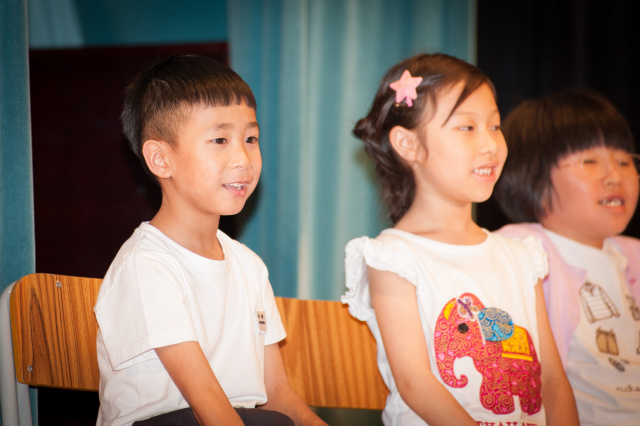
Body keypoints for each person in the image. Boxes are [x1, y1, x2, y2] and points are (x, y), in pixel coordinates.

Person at [341, 53, 578, 425]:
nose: (491, 144)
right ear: (407, 144)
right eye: (467, 127)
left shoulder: (520, 256)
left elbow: (551, 379)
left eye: (495, 126)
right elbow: (415, 382)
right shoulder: (393, 257)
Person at [94, 55, 326, 426]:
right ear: (160, 159)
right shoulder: (147, 265)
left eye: (251, 139)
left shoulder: (249, 266)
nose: (243, 158)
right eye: (220, 140)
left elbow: (279, 396)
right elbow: (208, 407)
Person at [495, 89, 640, 425]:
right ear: (532, 177)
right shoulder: (520, 248)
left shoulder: (633, 252)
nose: (615, 175)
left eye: (624, 162)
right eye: (589, 162)